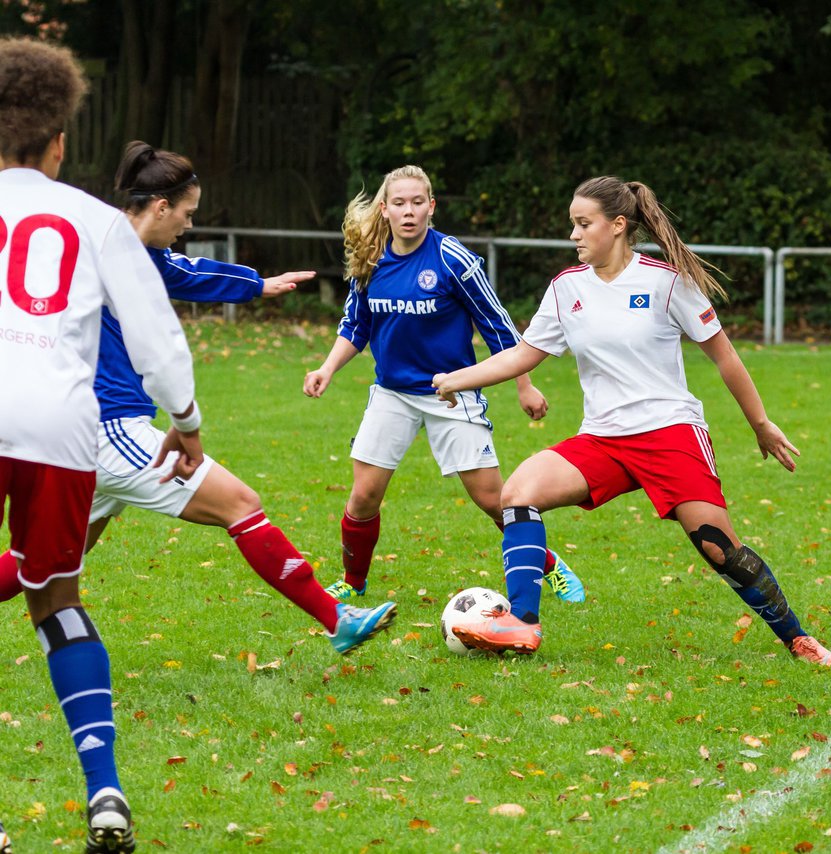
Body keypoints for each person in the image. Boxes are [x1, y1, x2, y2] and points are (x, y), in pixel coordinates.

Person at [0, 141, 399, 656]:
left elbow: (188, 273)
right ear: (161, 206)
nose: (189, 225)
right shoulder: (105, 247)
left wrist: (258, 285)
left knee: (42, 559)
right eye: (187, 213)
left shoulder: (121, 246)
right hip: (107, 429)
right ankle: (335, 616)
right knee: (241, 504)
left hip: (83, 431)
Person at [432, 176, 831, 666]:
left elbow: (725, 357)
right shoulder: (566, 288)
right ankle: (523, 623)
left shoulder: (666, 282)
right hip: (603, 439)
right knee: (518, 494)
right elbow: (525, 353)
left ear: (618, 225)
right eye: (572, 225)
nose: (574, 235)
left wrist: (760, 423)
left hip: (671, 432)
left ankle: (798, 639)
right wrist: (460, 377)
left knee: (718, 547)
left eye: (584, 224)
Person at [0, 38, 199, 854]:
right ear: (58, 142)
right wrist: (185, 421)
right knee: (57, 601)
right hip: (61, 429)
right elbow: (155, 335)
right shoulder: (93, 219)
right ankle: (105, 790)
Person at [303, 165, 584, 605]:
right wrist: (326, 368)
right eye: (399, 203)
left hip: (451, 394)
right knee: (363, 496)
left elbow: (498, 325)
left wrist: (524, 386)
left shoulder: (452, 258)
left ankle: (550, 565)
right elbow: (355, 327)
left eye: (418, 202)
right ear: (385, 208)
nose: (409, 211)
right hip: (392, 394)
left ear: (431, 207)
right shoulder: (371, 259)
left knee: (494, 500)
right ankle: (353, 582)